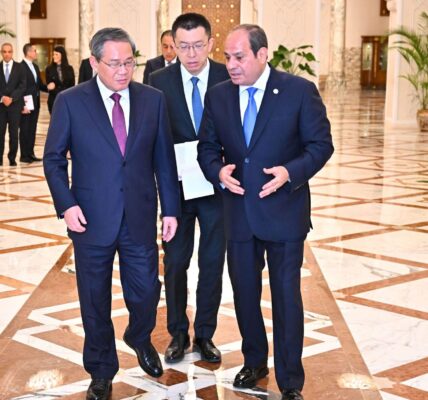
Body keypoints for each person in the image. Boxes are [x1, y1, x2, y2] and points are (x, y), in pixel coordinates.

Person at [197, 24, 334, 400]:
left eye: (239, 57)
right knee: (244, 293)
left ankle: (290, 381)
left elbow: (321, 145)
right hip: (239, 213)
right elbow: (206, 147)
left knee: (287, 297)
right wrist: (217, 171)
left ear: (262, 54)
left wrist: (291, 172)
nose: (231, 64)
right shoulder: (219, 95)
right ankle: (255, 362)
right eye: (227, 57)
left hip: (285, 212)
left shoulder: (299, 91)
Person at [43, 27, 180, 400]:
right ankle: (101, 370)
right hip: (89, 218)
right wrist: (67, 204)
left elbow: (164, 159)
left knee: (147, 290)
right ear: (94, 62)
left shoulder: (152, 100)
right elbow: (53, 159)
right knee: (94, 299)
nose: (123, 71)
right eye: (115, 63)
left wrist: (170, 209)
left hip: (139, 214)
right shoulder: (71, 102)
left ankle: (139, 335)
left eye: (129, 62)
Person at [149, 13, 229, 364]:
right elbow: (154, 135)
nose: (191, 54)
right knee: (175, 262)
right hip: (177, 191)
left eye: (198, 46)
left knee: (212, 262)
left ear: (211, 43)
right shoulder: (158, 80)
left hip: (217, 189)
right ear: (173, 45)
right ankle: (178, 333)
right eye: (183, 47)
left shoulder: (227, 77)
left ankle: (205, 334)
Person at [19, 43, 49, 163]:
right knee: (24, 129)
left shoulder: (35, 67)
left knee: (32, 129)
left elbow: (39, 84)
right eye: (34, 51)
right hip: (26, 103)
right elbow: (19, 88)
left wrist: (48, 88)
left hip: (35, 103)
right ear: (28, 52)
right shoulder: (20, 67)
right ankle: (24, 155)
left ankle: (30, 153)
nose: (36, 53)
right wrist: (22, 105)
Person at [0, 42, 26, 166]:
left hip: (15, 106)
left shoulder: (20, 67)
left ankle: (12, 158)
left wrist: (11, 98)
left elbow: (22, 85)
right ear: (1, 53)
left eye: (9, 51)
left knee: (14, 134)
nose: (7, 54)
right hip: (1, 106)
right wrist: (2, 97)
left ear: (12, 53)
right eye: (4, 51)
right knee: (0, 133)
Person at [45, 45, 75, 114]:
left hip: (67, 100)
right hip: (54, 100)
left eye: (56, 54)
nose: (54, 56)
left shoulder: (69, 69)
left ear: (62, 55)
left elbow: (72, 85)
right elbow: (50, 85)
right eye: (53, 54)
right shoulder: (49, 69)